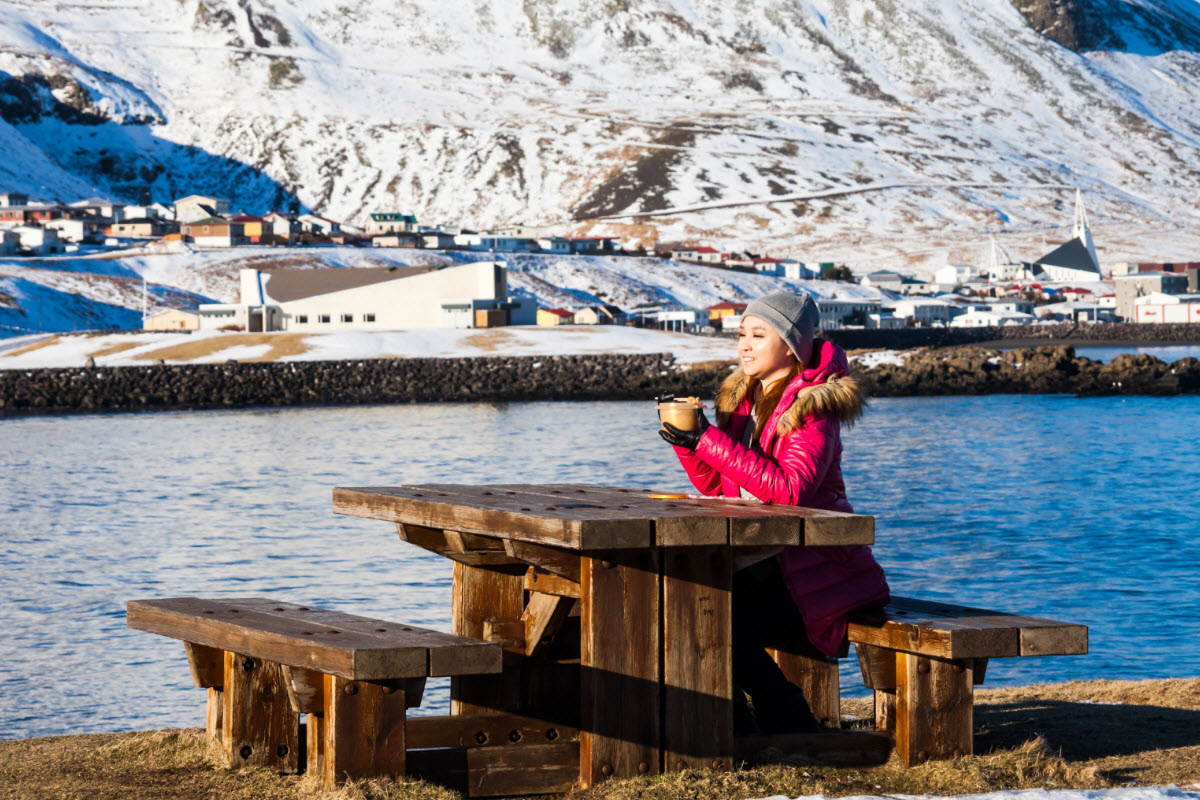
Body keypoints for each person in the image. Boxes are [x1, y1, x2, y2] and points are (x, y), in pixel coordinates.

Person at [659, 290, 889, 734]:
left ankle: (781, 721)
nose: (744, 344)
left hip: (816, 576)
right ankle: (742, 725)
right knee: (684, 602)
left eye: (758, 334)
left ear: (792, 345)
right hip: (766, 565)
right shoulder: (744, 401)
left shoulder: (813, 408)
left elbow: (788, 490)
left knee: (710, 616)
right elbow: (718, 485)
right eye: (742, 333)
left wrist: (708, 439)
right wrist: (688, 444)